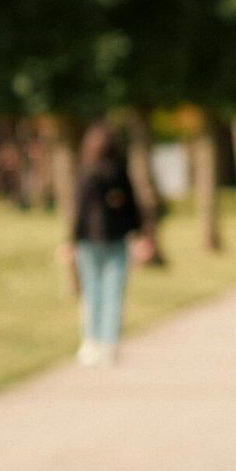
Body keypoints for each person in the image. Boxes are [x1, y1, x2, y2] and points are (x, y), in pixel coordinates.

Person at [61, 123, 153, 367]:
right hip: (116, 238)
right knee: (113, 292)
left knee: (91, 292)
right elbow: (132, 206)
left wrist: (71, 240)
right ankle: (108, 344)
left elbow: (79, 210)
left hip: (88, 241)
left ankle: (90, 342)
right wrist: (141, 235)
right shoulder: (119, 171)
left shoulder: (85, 171)